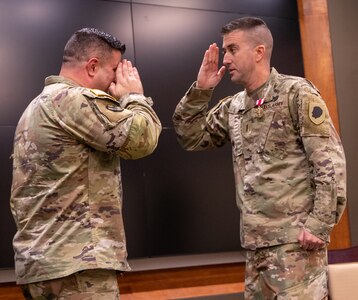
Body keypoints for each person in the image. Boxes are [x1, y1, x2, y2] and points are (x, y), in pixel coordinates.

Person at [173, 17, 346, 299]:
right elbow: (190, 136)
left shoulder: (296, 93)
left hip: (296, 246)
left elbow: (328, 161)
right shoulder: (235, 106)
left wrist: (319, 224)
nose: (225, 59)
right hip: (255, 247)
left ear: (259, 52)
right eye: (225, 50)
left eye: (232, 49)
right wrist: (201, 91)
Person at [10, 28, 161, 299]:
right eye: (114, 70)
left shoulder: (37, 105)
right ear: (92, 66)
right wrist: (134, 96)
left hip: (45, 265)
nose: (116, 80)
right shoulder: (74, 100)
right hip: (77, 269)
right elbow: (143, 138)